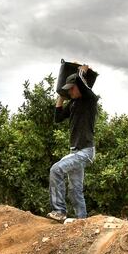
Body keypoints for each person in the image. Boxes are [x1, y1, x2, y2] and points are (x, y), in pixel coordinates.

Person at [47, 66, 99, 222]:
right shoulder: (73, 103)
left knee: (56, 170)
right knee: (75, 191)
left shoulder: (90, 100)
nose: (70, 92)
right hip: (74, 151)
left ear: (79, 87)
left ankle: (59, 211)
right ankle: (82, 222)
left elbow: (83, 84)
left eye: (71, 89)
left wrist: (81, 72)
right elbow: (58, 118)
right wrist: (61, 97)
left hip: (85, 151)